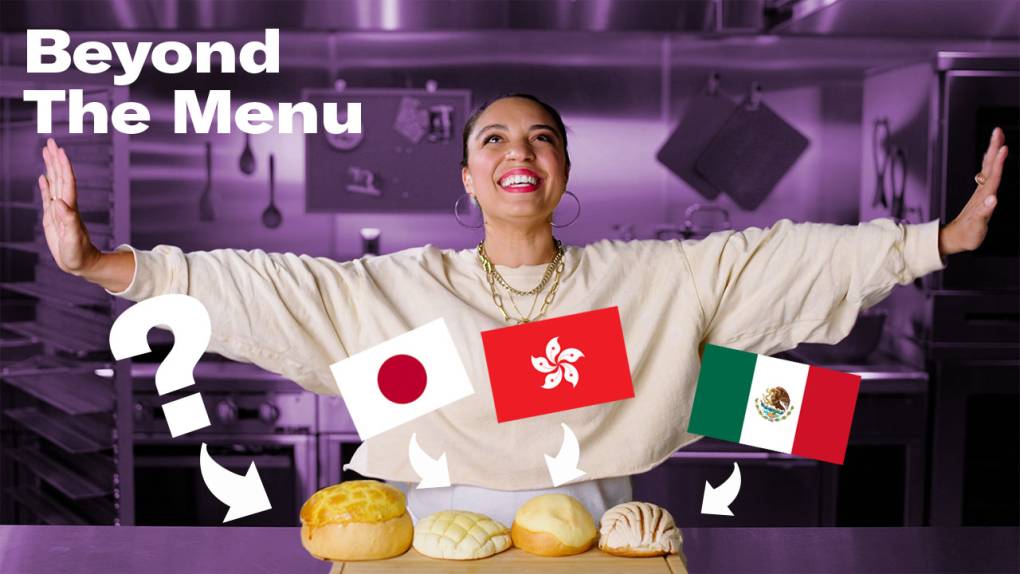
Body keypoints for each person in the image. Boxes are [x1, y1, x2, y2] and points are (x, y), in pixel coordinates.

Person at [39, 94, 1009, 527]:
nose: (521, 149)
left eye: (541, 137)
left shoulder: (643, 281)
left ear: (560, 172)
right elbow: (269, 289)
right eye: (496, 136)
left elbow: (769, 261)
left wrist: (935, 242)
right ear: (468, 175)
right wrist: (103, 264)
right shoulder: (402, 292)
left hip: (592, 554)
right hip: (428, 559)